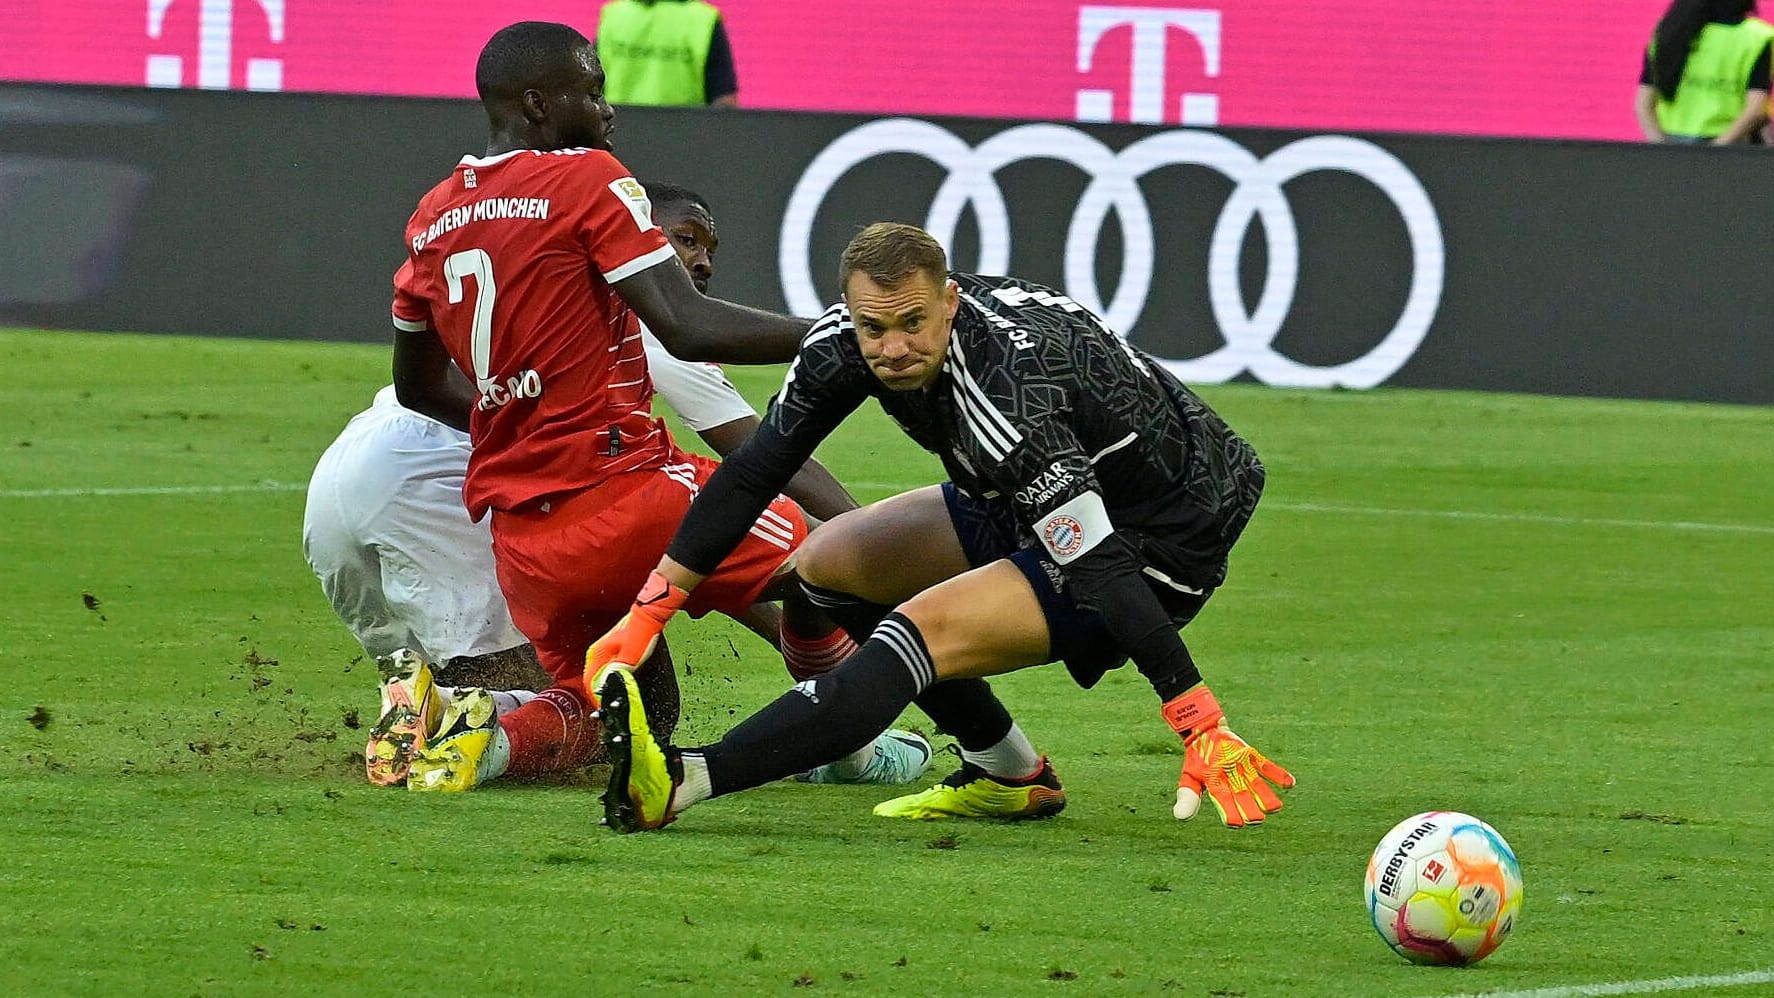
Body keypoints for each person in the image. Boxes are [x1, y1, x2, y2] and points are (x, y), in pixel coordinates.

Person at [588, 222, 1296, 833]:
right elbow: (755, 470)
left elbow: (1101, 562)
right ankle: (1010, 772)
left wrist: (1195, 715)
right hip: (1038, 488)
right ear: (849, 312)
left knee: (914, 634)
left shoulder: (1005, 394)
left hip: (1163, 530)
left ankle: (685, 781)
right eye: (874, 327)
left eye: (912, 324)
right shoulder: (843, 343)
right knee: (827, 562)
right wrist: (648, 614)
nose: (892, 348)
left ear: (949, 304)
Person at [385, 22, 930, 792]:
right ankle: (853, 745)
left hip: (526, 540)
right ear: (539, 103)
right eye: (592, 90)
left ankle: (480, 739)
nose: (608, 110)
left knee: (594, 706)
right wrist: (846, 332)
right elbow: (685, 322)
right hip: (633, 493)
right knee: (838, 566)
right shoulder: (584, 178)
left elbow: (417, 385)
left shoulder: (431, 218)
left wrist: (514, 412)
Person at [302, 182, 870, 787]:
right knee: (635, 708)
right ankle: (473, 717)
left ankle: (431, 709)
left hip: (352, 473)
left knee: (556, 674)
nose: (701, 261)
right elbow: (770, 462)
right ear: (638, 233)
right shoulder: (642, 307)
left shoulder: (544, 277)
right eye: (683, 239)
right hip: (442, 491)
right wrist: (890, 544)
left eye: (710, 249)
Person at [1636, 0, 1774, 144]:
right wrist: (1713, 151)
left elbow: (1642, 104)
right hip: (1731, 145)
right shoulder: (1757, 36)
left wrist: (1661, 150)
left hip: (1671, 142)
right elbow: (1756, 109)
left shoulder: (1669, 29)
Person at [596, 0, 739, 107]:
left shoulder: (613, 14)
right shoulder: (703, 19)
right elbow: (724, 100)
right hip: (685, 137)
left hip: (619, 134)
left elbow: (589, 86)